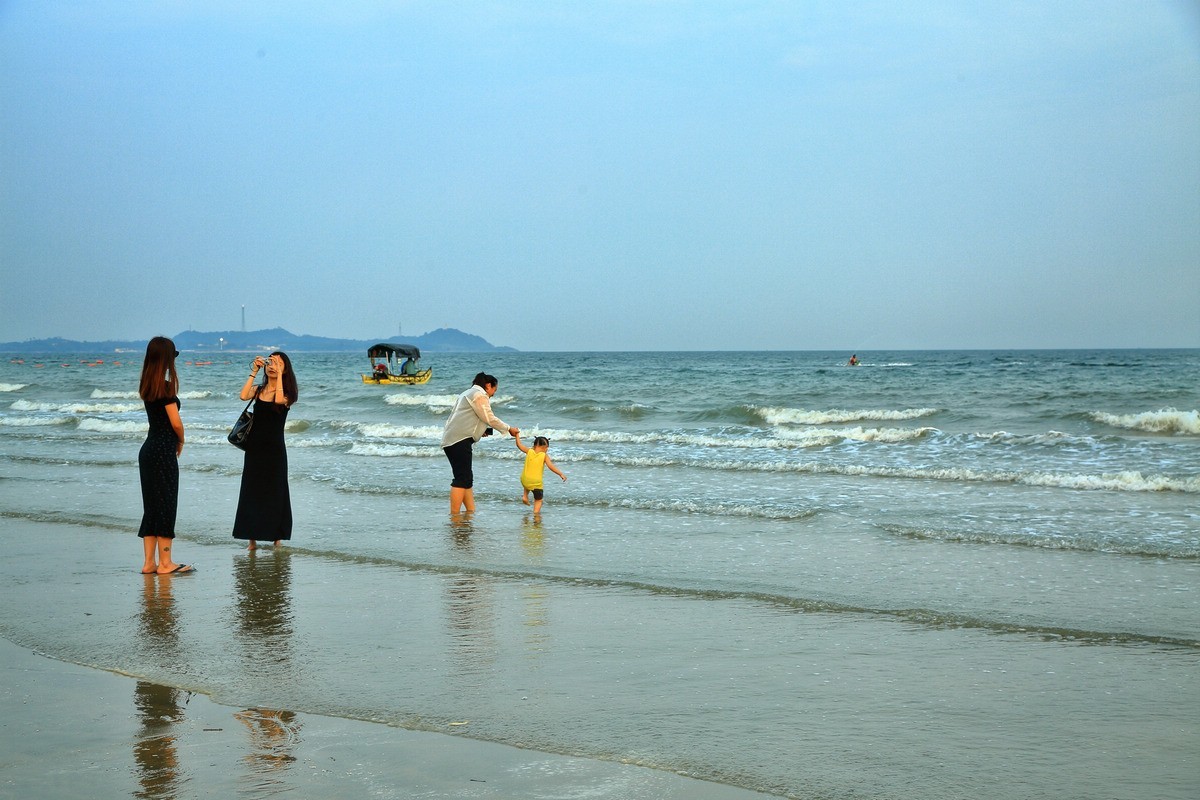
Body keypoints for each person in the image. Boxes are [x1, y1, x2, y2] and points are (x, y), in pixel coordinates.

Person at [137, 336, 193, 574]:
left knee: (151, 507)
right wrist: (181, 440)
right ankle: (166, 563)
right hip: (163, 450)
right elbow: (176, 423)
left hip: (148, 449)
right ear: (167, 359)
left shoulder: (148, 385)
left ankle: (149, 563)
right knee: (166, 505)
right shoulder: (166, 387)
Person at [232, 352, 298, 550]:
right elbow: (243, 396)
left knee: (275, 492)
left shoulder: (288, 393)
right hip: (254, 449)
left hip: (275, 451)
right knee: (251, 491)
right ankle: (251, 540)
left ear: (286, 369)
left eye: (278, 363)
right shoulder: (259, 390)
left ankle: (276, 538)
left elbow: (278, 401)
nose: (272, 366)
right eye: (270, 362)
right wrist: (254, 371)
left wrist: (278, 376)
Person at [441, 372, 518, 514]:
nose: (493, 394)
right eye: (494, 390)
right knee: (461, 478)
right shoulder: (479, 395)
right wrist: (508, 429)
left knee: (466, 478)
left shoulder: (467, 393)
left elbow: (469, 418)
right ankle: (455, 515)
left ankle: (470, 511)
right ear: (488, 385)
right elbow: (489, 417)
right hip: (459, 440)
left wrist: (483, 431)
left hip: (453, 439)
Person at [515, 434, 566, 514]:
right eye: (547, 448)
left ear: (534, 445)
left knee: (528, 483)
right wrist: (560, 474)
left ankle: (525, 496)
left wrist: (517, 435)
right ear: (545, 447)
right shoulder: (544, 456)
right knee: (538, 500)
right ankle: (536, 514)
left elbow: (519, 445)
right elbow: (551, 466)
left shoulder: (529, 451)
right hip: (536, 483)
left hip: (524, 480)